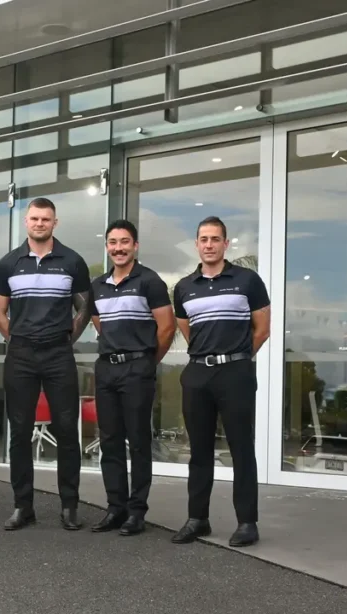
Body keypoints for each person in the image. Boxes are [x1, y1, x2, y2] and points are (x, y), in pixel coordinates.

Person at [0, 197, 92, 531]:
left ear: (55, 223)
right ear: (26, 222)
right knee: (19, 432)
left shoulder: (73, 261)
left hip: (58, 354)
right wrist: (17, 339)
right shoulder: (8, 264)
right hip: (20, 355)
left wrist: (65, 339)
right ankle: (23, 506)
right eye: (34, 218)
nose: (39, 223)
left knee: (66, 430)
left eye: (46, 219)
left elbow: (84, 308)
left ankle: (69, 506)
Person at [171, 216, 270, 548]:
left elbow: (262, 329)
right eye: (204, 239)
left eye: (216, 239)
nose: (209, 244)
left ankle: (247, 522)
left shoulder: (247, 281)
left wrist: (237, 356)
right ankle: (197, 518)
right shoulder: (184, 287)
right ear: (197, 244)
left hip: (235, 374)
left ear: (226, 244)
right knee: (199, 451)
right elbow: (187, 330)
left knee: (242, 449)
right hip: (198, 373)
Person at [87, 219, 175, 536]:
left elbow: (166, 327)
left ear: (135, 246)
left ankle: (137, 511)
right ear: (107, 246)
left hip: (138, 368)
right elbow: (101, 325)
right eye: (113, 242)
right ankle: (115, 508)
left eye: (124, 242)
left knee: (138, 441)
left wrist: (148, 362)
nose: (118, 248)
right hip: (107, 368)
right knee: (109, 441)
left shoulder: (149, 281)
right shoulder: (97, 285)